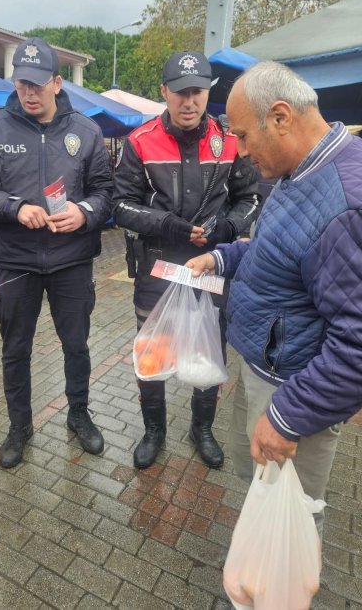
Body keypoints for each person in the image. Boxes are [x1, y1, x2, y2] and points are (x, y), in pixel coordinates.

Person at [187, 61, 362, 533]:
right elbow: (280, 247)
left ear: (280, 117)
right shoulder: (302, 170)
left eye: (243, 135)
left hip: (294, 389)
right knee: (263, 494)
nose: (240, 150)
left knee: (290, 518)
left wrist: (288, 416)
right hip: (270, 369)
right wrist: (223, 258)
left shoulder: (349, 206)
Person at [0, 37, 113, 468]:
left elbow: (105, 192)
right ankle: (19, 426)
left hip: (71, 261)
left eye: (38, 84)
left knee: (76, 345)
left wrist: (84, 213)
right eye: (22, 82)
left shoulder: (86, 131)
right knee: (14, 351)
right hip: (15, 261)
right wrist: (14, 208)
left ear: (57, 83)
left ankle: (78, 414)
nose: (29, 92)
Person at [113, 51, 260, 470]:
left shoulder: (229, 140)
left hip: (212, 266)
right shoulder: (139, 142)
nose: (189, 101)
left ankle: (202, 428)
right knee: (152, 351)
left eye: (197, 92)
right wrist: (169, 225)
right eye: (180, 92)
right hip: (158, 267)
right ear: (164, 91)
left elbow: (250, 199)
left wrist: (227, 228)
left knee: (210, 350)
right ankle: (153, 430)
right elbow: (120, 205)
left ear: (207, 92)